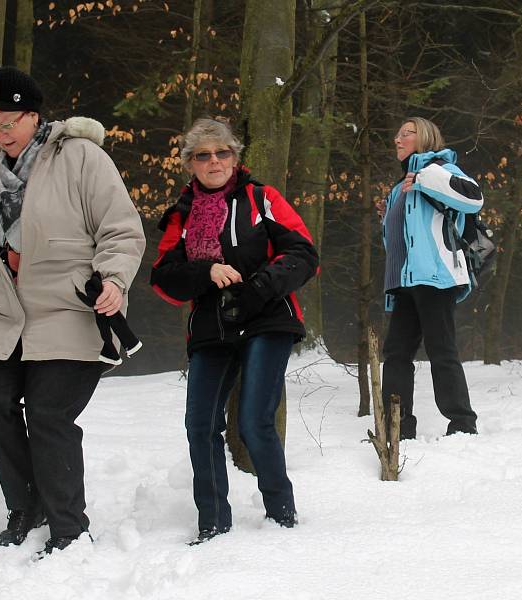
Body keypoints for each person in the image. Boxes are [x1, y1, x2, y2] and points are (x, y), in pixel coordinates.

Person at [0, 66, 146, 557]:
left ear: (33, 116)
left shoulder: (80, 157)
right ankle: (25, 504)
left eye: (8, 122)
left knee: (49, 412)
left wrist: (115, 280)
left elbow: (121, 230)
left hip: (69, 314)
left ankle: (68, 529)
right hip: (6, 316)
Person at [150, 117, 318, 545]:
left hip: (266, 316)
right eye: (203, 155)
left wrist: (259, 287)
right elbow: (163, 277)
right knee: (199, 425)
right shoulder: (182, 214)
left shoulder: (261, 197)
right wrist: (206, 271)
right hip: (211, 326)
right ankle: (213, 523)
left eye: (222, 152)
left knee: (254, 420)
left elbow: (303, 252)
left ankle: (281, 515)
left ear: (235, 157)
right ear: (189, 163)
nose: (214, 161)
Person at [381, 117, 482, 440]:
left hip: (437, 276)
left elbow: (473, 198)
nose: (398, 139)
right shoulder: (399, 188)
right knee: (395, 354)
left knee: (442, 350)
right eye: (397, 135)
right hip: (405, 282)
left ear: (424, 138)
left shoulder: (441, 170)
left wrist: (425, 179)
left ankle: (462, 424)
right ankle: (397, 428)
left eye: (406, 134)